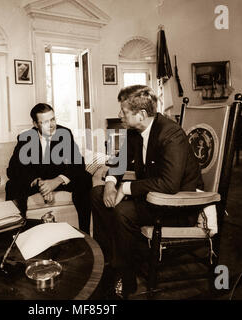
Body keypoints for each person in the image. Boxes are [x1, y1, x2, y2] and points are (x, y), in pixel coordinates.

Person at [91, 85, 203, 299]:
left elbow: (170, 184)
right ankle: (110, 262)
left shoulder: (171, 134)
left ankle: (126, 277)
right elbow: (119, 160)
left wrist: (126, 187)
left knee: (122, 211)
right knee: (97, 195)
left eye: (123, 111)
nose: (119, 115)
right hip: (152, 196)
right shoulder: (135, 131)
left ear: (141, 114)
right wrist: (110, 183)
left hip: (177, 205)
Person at [5, 103, 92, 234]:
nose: (51, 125)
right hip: (37, 181)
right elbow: (13, 170)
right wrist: (38, 182)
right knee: (12, 185)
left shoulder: (65, 133)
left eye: (52, 119)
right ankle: (16, 235)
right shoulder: (26, 137)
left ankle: (84, 232)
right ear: (35, 124)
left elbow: (78, 164)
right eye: (45, 122)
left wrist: (56, 181)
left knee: (85, 178)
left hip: (58, 180)